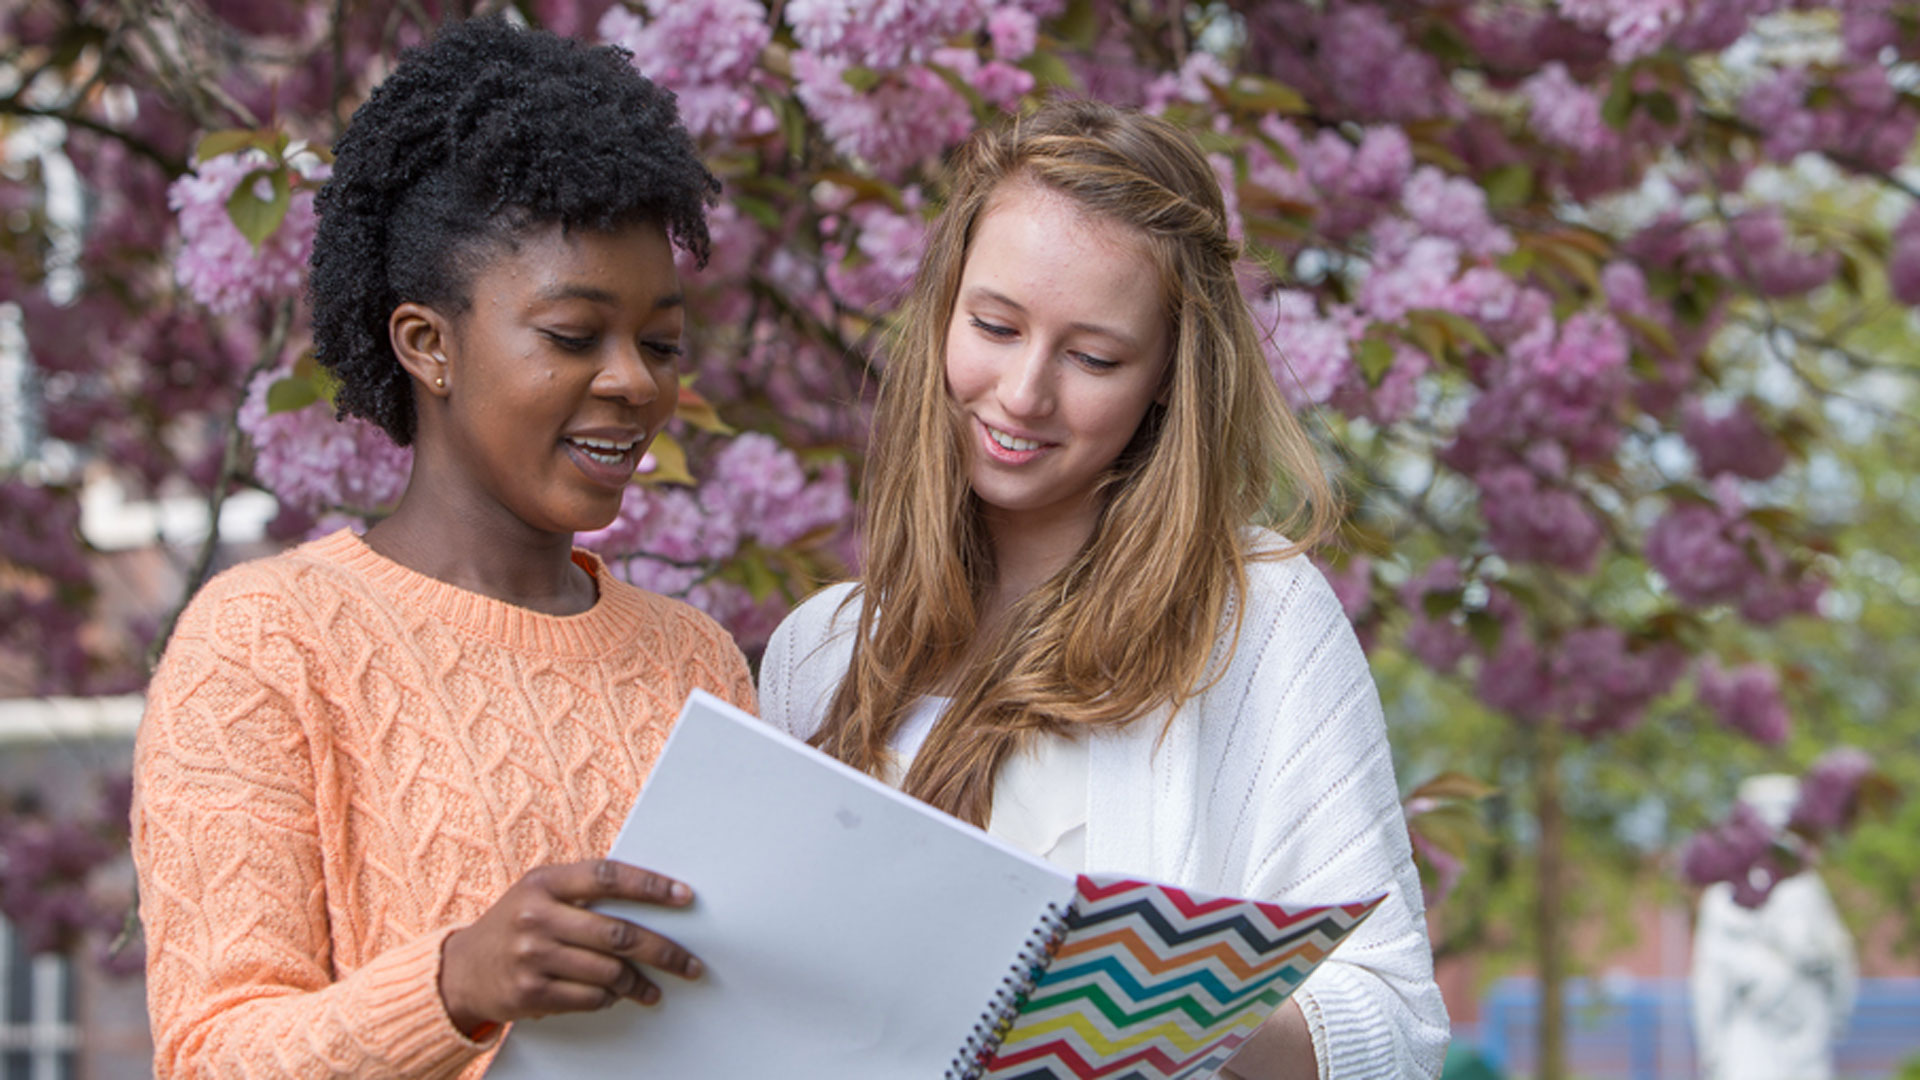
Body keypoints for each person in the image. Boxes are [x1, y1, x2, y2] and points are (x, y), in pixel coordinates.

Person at [758, 99, 1450, 1079]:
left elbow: (1397, 1022)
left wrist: (1149, 1024)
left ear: (1169, 372)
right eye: (995, 325)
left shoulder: (1256, 616)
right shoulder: (818, 652)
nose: (1025, 393)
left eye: (1093, 357)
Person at [130, 18, 755, 1078]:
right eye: (573, 336)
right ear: (427, 343)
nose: (637, 383)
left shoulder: (698, 665)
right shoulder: (263, 644)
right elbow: (209, 1054)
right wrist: (455, 982)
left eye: (660, 344)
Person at [1691, 774, 1858, 1080]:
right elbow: (1710, 977)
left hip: (1803, 1032)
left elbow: (1838, 958)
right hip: (1751, 1033)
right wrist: (1711, 1045)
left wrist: (1833, 1008)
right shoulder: (1723, 897)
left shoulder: (1808, 890)